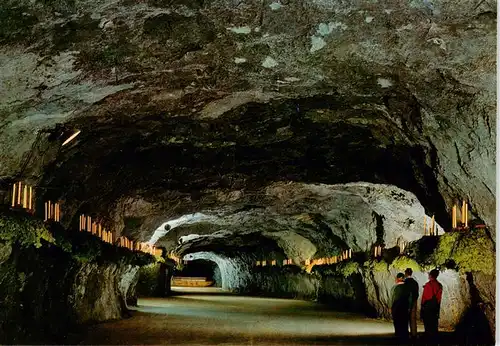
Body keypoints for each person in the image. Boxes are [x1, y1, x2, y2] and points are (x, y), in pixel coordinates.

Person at [421, 269, 443, 342]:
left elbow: (425, 297)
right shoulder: (439, 285)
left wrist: (422, 305)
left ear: (430, 275)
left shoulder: (428, 285)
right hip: (435, 305)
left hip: (428, 305)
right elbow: (439, 297)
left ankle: (428, 337)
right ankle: (434, 337)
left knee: (427, 322)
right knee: (434, 322)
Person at [391, 272, 410, 341]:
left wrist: (391, 307)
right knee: (404, 321)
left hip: (396, 307)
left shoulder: (395, 288)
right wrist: (409, 306)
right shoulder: (407, 288)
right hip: (405, 307)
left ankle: (398, 335)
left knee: (397, 321)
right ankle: (405, 335)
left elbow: (392, 298)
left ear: (397, 279)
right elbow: (410, 298)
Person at [405, 268, 419, 339]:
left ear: (406, 273)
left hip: (406, 302)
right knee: (413, 319)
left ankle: (405, 334)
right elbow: (417, 293)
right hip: (414, 302)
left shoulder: (405, 283)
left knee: (405, 318)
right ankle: (414, 334)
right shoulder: (415, 282)